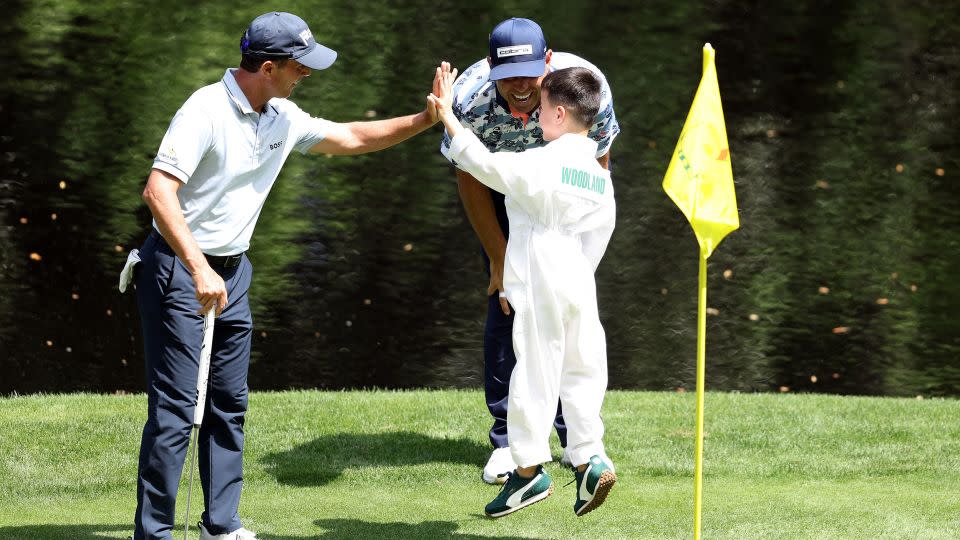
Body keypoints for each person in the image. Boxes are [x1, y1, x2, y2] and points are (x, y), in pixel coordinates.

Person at [127, 12, 443, 540]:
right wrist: (199, 267)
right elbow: (158, 193)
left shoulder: (281, 114)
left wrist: (424, 120)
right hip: (181, 269)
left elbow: (351, 137)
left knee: (229, 403)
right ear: (269, 67)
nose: (307, 77)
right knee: (178, 411)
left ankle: (220, 525)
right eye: (301, 68)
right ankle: (154, 533)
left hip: (234, 271)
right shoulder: (204, 109)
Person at [430, 62, 617, 517]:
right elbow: (603, 229)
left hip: (542, 264)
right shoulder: (596, 173)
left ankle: (529, 472)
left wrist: (448, 115)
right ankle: (588, 455)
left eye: (543, 110)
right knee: (582, 362)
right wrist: (580, 273)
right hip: (578, 268)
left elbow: (483, 165)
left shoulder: (541, 162)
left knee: (533, 366)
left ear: (556, 115)